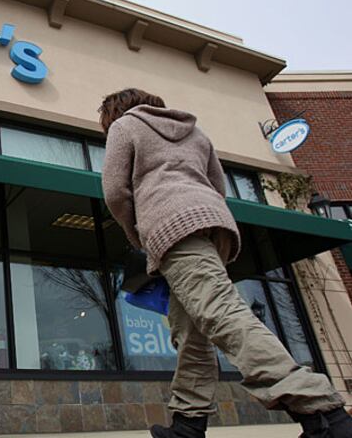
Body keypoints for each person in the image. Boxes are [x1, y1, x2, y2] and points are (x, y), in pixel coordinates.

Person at [98, 88, 352, 438]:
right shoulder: (195, 132)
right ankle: (189, 423)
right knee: (191, 331)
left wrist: (139, 234)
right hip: (212, 227)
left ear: (113, 113)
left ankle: (323, 412)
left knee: (221, 312)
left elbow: (114, 191)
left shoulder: (124, 127)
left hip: (170, 226)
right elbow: (217, 185)